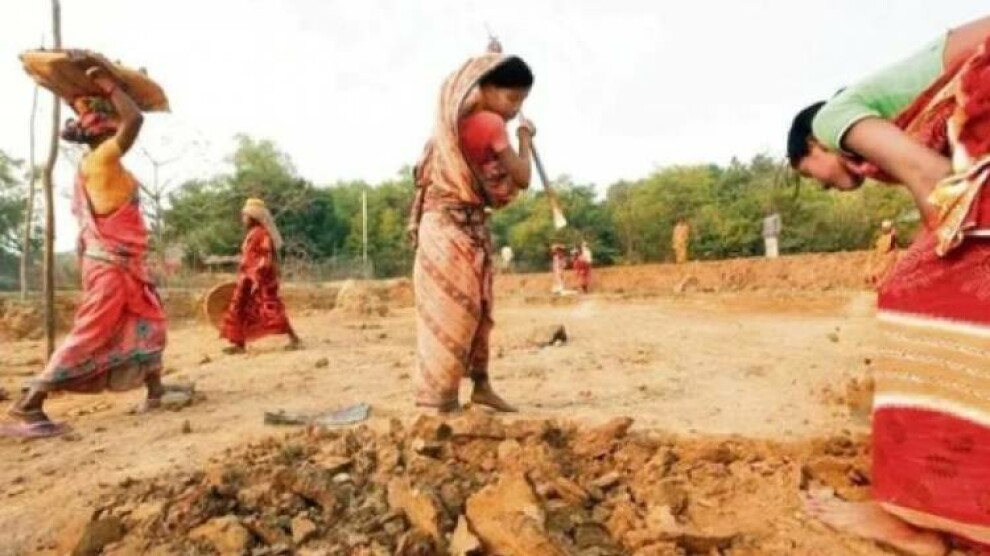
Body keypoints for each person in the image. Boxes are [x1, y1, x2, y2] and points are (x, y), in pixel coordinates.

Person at [789, 15, 990, 555]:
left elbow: (937, 185)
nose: (826, 188)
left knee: (915, 296)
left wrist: (938, 252)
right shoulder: (907, 125)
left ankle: (919, 517)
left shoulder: (840, 114)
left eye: (810, 174)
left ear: (815, 146)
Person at [3, 64, 167, 438]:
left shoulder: (99, 162)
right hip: (110, 266)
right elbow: (136, 119)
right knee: (92, 331)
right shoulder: (102, 159)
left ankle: (155, 390)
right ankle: (30, 403)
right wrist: (106, 83)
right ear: (107, 130)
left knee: (150, 322)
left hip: (123, 263)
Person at [407, 48, 536, 413]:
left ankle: (481, 386)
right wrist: (525, 140)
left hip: (448, 226)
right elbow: (522, 177)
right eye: (511, 98)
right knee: (455, 312)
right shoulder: (490, 123)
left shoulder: (451, 125)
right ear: (485, 89)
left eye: (522, 102)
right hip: (452, 230)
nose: (514, 109)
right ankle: (440, 400)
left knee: (474, 309)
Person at [219, 198, 300, 354]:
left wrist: (255, 276)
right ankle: (239, 343)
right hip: (248, 278)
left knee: (270, 309)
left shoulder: (262, 234)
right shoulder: (253, 234)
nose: (243, 219)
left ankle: (294, 338)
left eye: (245, 216)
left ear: (253, 217)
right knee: (239, 307)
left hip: (261, 280)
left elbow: (265, 258)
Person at [866, 220, 899, 287]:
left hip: (885, 258)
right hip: (885, 258)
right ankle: (878, 282)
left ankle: (876, 281)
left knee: (884, 270)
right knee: (884, 271)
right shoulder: (887, 237)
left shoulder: (885, 238)